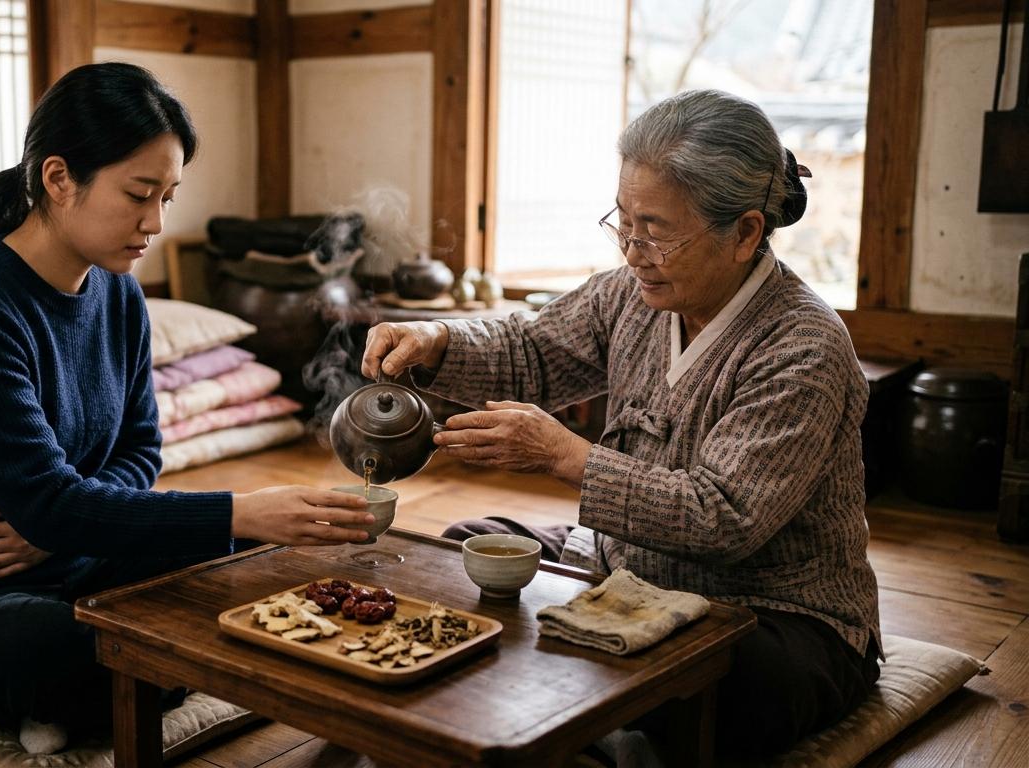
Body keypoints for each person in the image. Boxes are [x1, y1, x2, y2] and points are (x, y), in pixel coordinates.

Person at [0, 62, 373, 753]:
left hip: (77, 565)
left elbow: (140, 451)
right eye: (139, 194)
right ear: (58, 178)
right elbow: (46, 498)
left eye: (168, 195)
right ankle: (95, 690)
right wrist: (229, 507)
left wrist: (59, 526)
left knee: (260, 564)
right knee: (90, 647)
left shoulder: (119, 293)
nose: (156, 222)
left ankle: (100, 695)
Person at [361, 89, 881, 758]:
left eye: (657, 229)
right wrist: (437, 337)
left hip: (773, 608)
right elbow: (532, 350)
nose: (633, 251)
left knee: (736, 686)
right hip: (625, 572)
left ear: (746, 232)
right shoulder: (632, 296)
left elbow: (724, 518)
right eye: (624, 222)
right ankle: (593, 719)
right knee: (466, 554)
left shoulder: (802, 344)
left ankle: (594, 729)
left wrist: (564, 456)